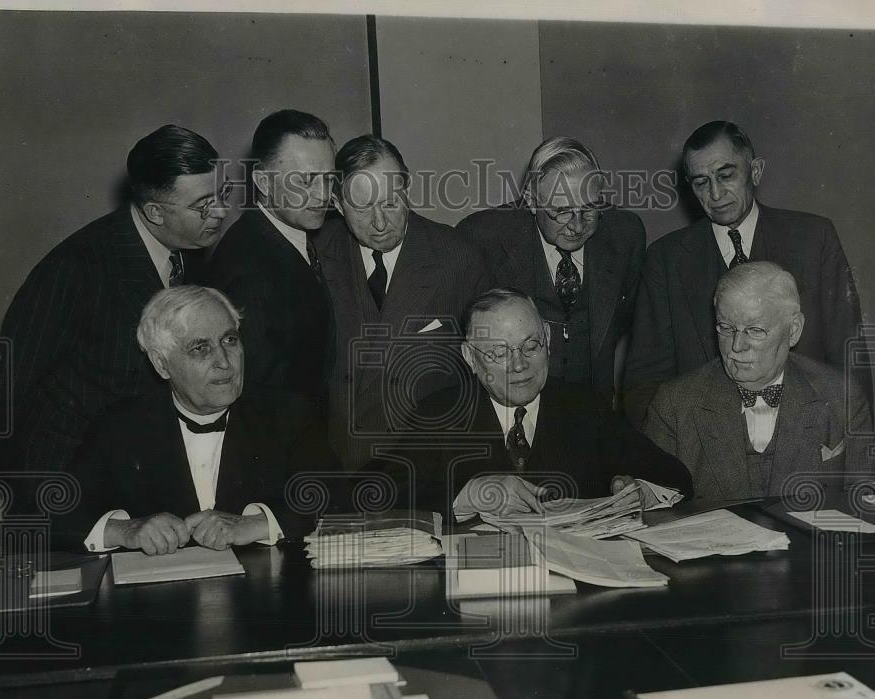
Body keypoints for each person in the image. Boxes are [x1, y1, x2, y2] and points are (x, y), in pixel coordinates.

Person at [0, 124, 229, 477]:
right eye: (203, 206)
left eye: (222, 195)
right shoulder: (76, 268)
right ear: (155, 212)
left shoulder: (192, 255)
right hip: (70, 485)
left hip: (141, 479)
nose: (220, 213)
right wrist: (34, 490)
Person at [53, 286, 337, 553]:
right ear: (161, 363)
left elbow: (339, 498)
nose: (225, 361)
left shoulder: (287, 413)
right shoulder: (119, 428)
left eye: (230, 340)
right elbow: (55, 515)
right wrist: (126, 530)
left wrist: (257, 524)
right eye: (200, 348)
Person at [373, 288, 692, 523]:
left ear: (549, 341)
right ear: (470, 358)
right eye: (499, 353)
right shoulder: (439, 413)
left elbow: (676, 477)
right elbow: (384, 498)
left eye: (531, 346)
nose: (519, 365)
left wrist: (638, 491)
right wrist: (468, 495)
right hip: (478, 590)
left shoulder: (584, 407)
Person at [625, 120, 865, 424]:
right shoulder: (665, 259)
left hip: (807, 443)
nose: (715, 193)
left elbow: (851, 362)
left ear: (755, 171)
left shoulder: (814, 239)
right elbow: (644, 385)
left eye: (726, 175)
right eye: (701, 182)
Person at [315, 134, 494, 470]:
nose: (380, 223)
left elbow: (489, 370)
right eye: (363, 208)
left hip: (428, 469)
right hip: (336, 469)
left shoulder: (457, 256)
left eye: (391, 203)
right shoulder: (316, 255)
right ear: (338, 205)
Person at [643, 262, 875, 502]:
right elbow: (653, 512)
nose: (736, 346)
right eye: (726, 328)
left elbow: (865, 508)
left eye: (754, 330)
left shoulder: (841, 396)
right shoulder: (675, 404)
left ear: (793, 330)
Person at [457, 136, 646, 406]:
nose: (577, 226)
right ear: (532, 202)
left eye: (590, 209)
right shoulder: (482, 239)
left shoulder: (626, 235)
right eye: (562, 211)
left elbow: (623, 318)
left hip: (594, 407)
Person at [207, 109, 336, 408]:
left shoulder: (286, 231)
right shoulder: (250, 270)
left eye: (329, 180)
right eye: (306, 181)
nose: (323, 195)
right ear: (263, 184)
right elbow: (260, 398)